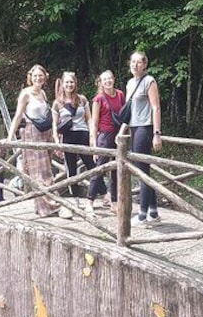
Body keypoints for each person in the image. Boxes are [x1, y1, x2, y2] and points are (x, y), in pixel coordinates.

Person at [7, 64, 62, 217]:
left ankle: (42, 207)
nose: (38, 78)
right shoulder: (26, 93)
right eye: (35, 76)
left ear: (45, 77)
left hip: (45, 133)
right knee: (39, 173)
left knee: (46, 170)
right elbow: (18, 115)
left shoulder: (43, 93)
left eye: (41, 75)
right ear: (30, 77)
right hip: (32, 133)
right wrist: (10, 137)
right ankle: (52, 205)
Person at [125, 51, 163, 226]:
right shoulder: (129, 83)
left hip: (145, 128)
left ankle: (142, 213)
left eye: (139, 62)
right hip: (134, 127)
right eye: (133, 62)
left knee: (142, 170)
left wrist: (156, 133)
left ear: (145, 65)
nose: (135, 65)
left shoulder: (149, 81)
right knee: (144, 169)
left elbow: (156, 107)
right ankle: (153, 212)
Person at [52, 72, 96, 207]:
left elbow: (89, 118)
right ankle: (75, 198)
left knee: (91, 166)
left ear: (75, 83)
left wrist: (92, 136)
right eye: (67, 82)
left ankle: (99, 194)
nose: (69, 85)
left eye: (71, 82)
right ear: (62, 84)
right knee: (71, 169)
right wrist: (56, 142)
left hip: (83, 134)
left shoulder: (82, 99)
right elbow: (54, 124)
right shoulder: (57, 103)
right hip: (68, 136)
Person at [86, 70, 125, 213]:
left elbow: (124, 115)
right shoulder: (98, 99)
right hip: (105, 135)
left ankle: (114, 202)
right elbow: (94, 123)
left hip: (118, 135)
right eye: (105, 79)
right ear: (101, 83)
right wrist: (94, 143)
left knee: (116, 169)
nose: (108, 81)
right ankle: (90, 200)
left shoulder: (120, 94)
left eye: (110, 78)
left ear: (114, 79)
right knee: (100, 168)